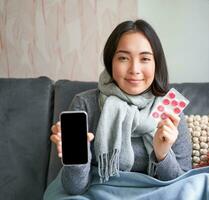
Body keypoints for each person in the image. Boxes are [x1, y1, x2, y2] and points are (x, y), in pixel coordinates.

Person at [49, 19, 192, 195]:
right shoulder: (85, 104)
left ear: (156, 64)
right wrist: (79, 158)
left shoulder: (169, 108)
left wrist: (162, 155)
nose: (135, 69)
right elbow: (74, 188)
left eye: (145, 58)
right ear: (111, 62)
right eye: (123, 58)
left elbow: (183, 186)